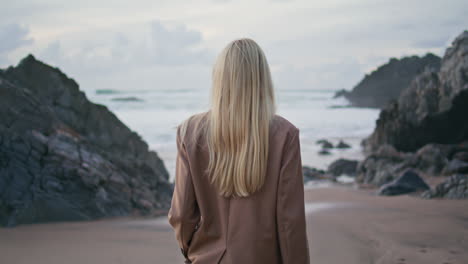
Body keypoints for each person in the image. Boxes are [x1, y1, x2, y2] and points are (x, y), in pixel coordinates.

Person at [168, 38, 309, 264]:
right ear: (262, 79)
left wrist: (193, 251)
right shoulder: (285, 135)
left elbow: (182, 215)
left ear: (219, 78)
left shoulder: (189, 132)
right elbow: (289, 222)